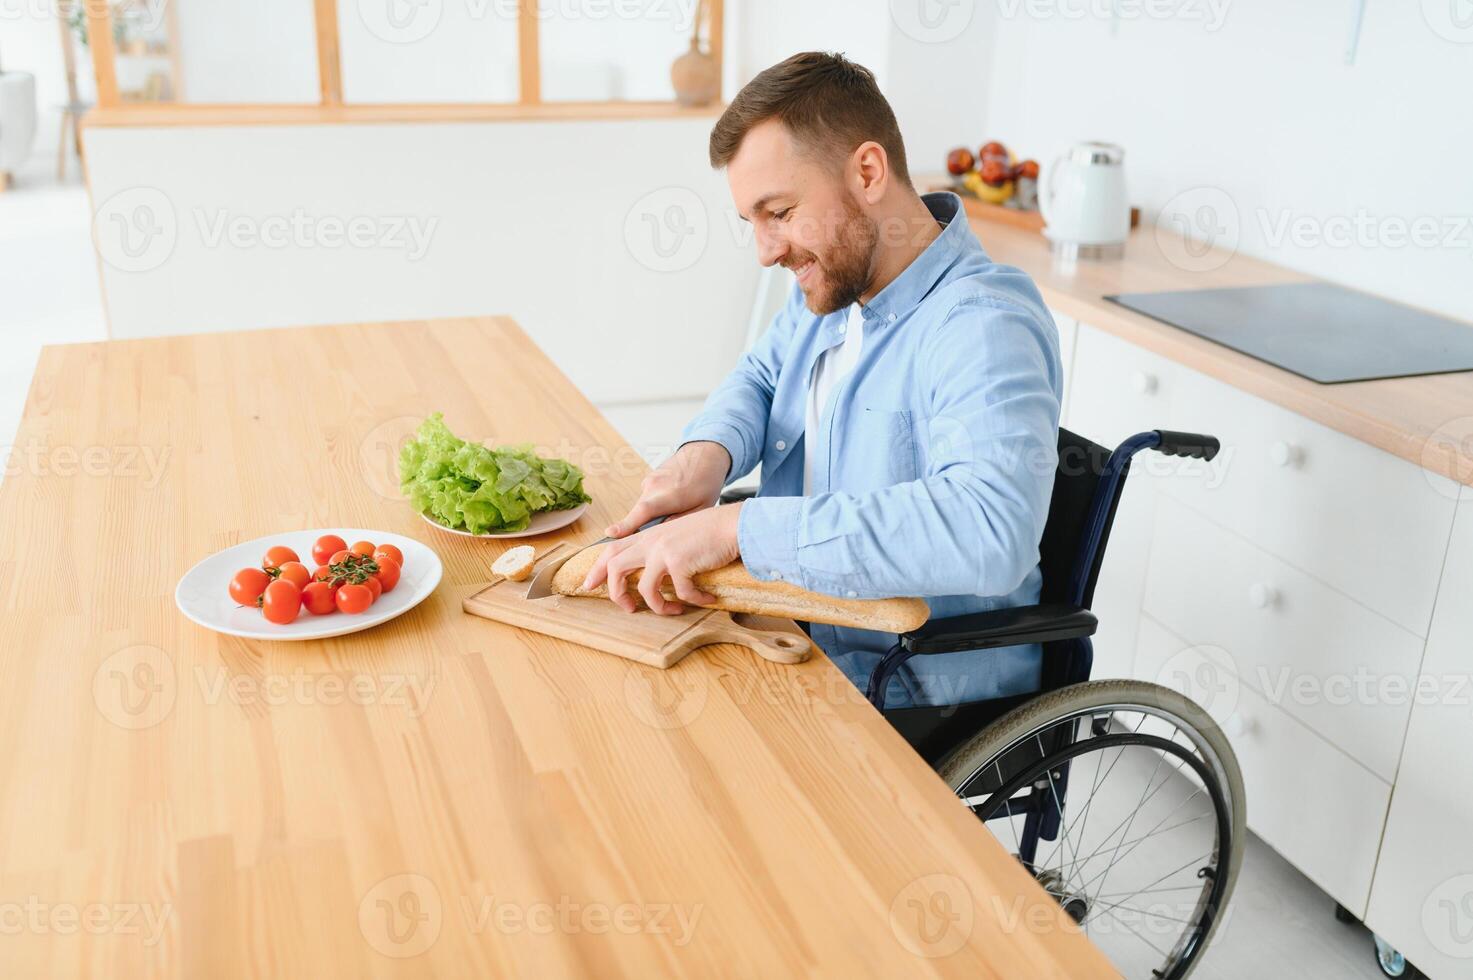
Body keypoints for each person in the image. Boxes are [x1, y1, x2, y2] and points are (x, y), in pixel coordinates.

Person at [581, 51, 1062, 708]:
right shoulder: (838, 285)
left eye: (778, 211)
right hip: (800, 631)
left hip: (907, 685)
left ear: (866, 171)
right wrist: (708, 454)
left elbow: (989, 527)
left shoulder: (980, 323)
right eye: (752, 221)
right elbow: (759, 374)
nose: (766, 250)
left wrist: (734, 529)